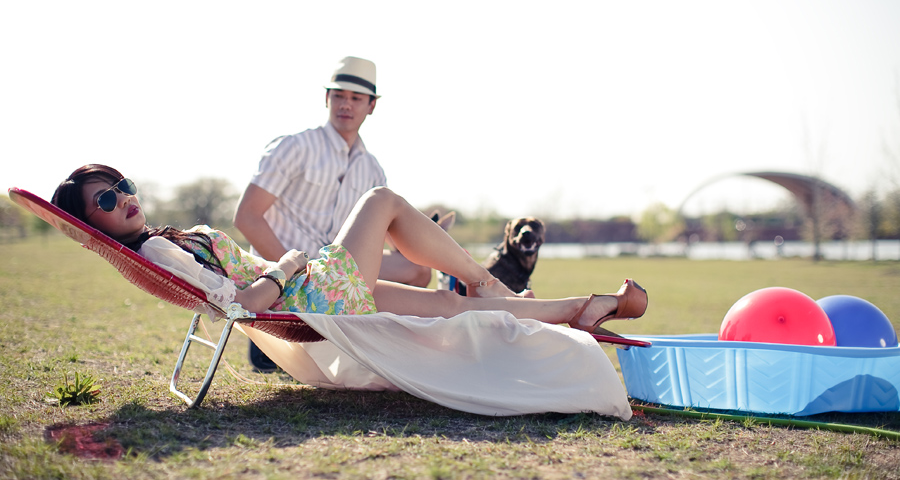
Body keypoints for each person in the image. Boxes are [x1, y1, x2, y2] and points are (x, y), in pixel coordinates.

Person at [52, 164, 648, 335]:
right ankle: (489, 280)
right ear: (93, 224)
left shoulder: (159, 243)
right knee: (382, 201)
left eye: (122, 187)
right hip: (307, 293)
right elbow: (239, 305)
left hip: (313, 292)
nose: (124, 200)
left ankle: (580, 309)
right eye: (106, 202)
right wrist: (287, 265)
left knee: (447, 309)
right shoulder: (158, 255)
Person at [233, 56, 432, 370]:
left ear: (372, 106)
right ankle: (294, 336)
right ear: (327, 98)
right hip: (289, 280)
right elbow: (247, 216)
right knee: (276, 359)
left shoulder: (372, 169)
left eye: (356, 98)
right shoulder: (295, 147)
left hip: (335, 276)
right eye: (339, 95)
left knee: (418, 269)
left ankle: (377, 336)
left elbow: (379, 243)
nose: (346, 105)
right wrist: (291, 275)